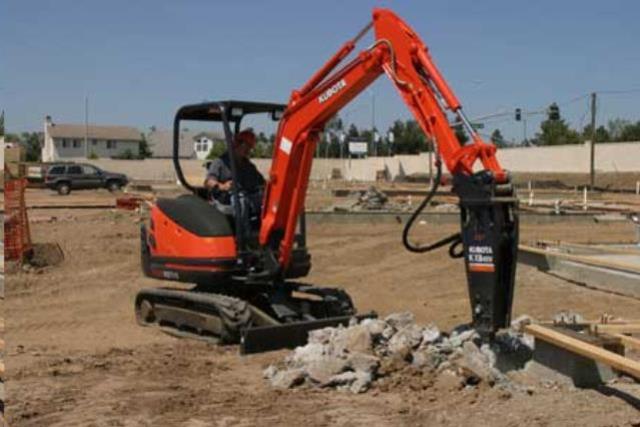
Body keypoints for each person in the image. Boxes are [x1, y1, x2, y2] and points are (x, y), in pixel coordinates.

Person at [204, 129, 265, 215]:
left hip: (245, 197)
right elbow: (208, 182)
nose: (248, 150)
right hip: (224, 200)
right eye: (246, 146)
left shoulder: (248, 166)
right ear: (237, 144)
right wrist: (223, 186)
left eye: (250, 147)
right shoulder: (220, 162)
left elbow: (261, 182)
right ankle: (243, 228)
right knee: (241, 201)